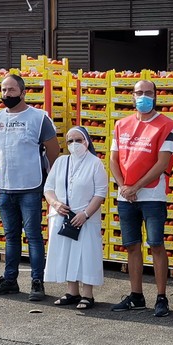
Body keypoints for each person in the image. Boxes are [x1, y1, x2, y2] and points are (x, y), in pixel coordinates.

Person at [0, 73, 60, 301]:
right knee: (11, 237)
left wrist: (51, 183)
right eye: (4, 90)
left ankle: (37, 282)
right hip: (5, 188)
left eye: (11, 90)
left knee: (34, 237)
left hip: (31, 187)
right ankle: (10, 280)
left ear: (23, 92)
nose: (7, 94)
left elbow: (54, 152)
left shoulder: (39, 118)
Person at [109, 79, 173, 317]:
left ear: (156, 96)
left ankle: (161, 297)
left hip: (152, 195)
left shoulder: (167, 125)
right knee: (131, 246)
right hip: (126, 195)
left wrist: (135, 187)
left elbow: (162, 163)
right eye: (139, 93)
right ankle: (136, 295)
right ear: (132, 96)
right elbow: (113, 159)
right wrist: (123, 186)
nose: (143, 97)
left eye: (148, 93)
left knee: (156, 244)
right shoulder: (121, 125)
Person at [43, 126, 107, 310]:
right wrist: (55, 204)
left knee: (86, 254)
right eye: (70, 141)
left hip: (86, 217)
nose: (74, 144)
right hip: (62, 216)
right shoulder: (61, 162)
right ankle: (72, 291)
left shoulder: (95, 163)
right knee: (67, 253)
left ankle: (87, 294)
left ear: (87, 141)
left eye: (78, 140)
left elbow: (100, 193)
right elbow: (48, 188)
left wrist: (85, 214)